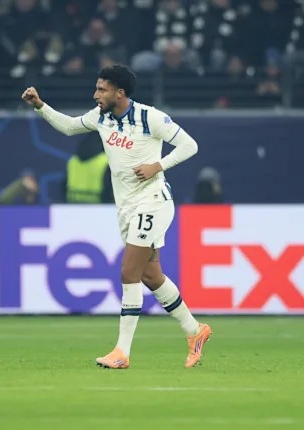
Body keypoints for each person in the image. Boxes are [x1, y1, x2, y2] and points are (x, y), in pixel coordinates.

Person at [21, 64, 211, 369]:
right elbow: (69, 126)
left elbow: (190, 145)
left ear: (119, 93)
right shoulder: (101, 117)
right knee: (151, 276)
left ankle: (122, 352)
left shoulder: (150, 117)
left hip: (152, 202)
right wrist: (40, 106)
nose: (95, 94)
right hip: (126, 207)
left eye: (102, 89)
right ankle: (195, 330)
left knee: (128, 272)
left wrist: (157, 166)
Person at [65, 133, 113, 204]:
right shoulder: (106, 161)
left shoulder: (73, 160)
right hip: (99, 206)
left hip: (73, 205)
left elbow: (64, 184)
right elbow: (110, 188)